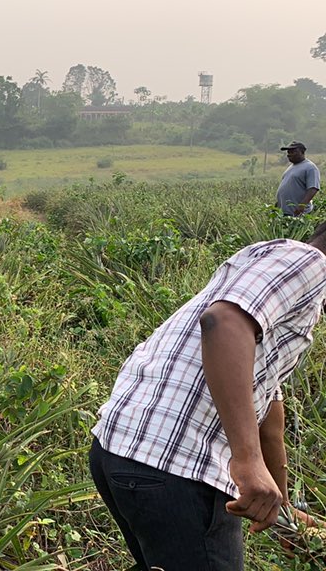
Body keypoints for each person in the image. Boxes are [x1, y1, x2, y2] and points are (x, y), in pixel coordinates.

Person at [90, 225, 326, 569]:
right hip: (175, 466)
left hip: (121, 452)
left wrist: (283, 511)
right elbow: (223, 322)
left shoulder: (270, 263)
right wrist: (246, 460)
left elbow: (268, 408)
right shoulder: (309, 263)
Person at [276, 141, 320, 217]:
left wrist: (302, 205)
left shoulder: (310, 167)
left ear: (302, 152)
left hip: (298, 213)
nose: (289, 154)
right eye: (288, 152)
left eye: (293, 152)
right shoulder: (291, 167)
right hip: (284, 212)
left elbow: (313, 188)